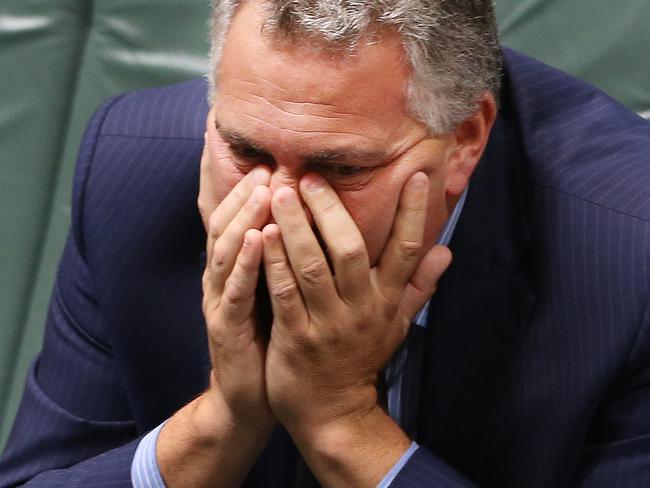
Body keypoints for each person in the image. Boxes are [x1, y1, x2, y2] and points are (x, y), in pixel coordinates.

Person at [2, 0, 650, 486]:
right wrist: (222, 420)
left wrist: (342, 422)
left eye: (341, 169)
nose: (276, 209)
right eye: (245, 150)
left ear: (466, 139)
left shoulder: (629, 254)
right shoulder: (133, 174)